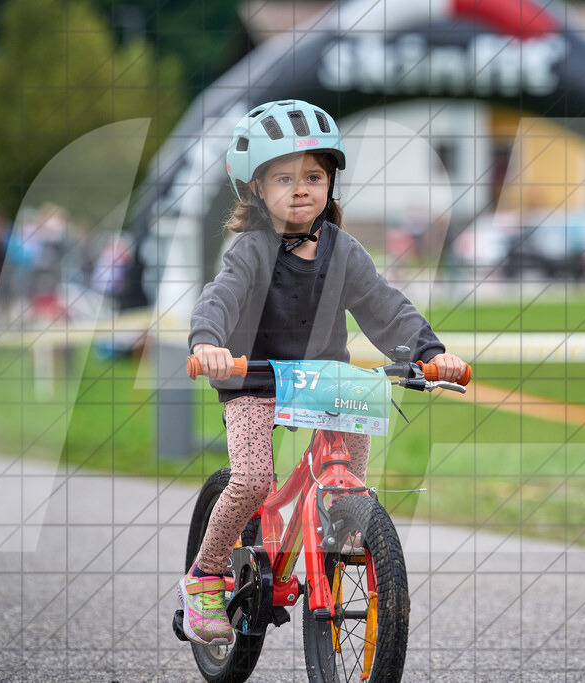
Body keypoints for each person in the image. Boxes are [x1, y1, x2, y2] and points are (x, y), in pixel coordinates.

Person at [178, 100, 468, 646]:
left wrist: (429, 352)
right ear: (256, 189)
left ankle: (334, 553)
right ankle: (205, 577)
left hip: (325, 381)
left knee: (348, 483)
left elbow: (385, 306)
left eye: (313, 175)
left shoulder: (343, 250)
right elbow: (219, 300)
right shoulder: (251, 251)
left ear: (330, 182)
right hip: (253, 378)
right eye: (284, 178)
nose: (301, 188)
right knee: (254, 479)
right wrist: (208, 344)